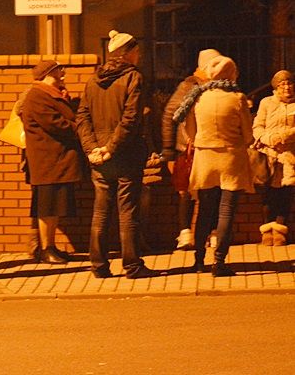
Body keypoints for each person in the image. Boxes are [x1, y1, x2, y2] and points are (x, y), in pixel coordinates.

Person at [76, 30, 158, 279]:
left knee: (100, 212)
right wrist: (110, 148)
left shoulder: (93, 80)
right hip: (125, 154)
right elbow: (131, 119)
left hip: (99, 158)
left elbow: (82, 117)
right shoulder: (133, 78)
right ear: (129, 53)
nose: (139, 55)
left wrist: (92, 149)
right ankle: (132, 265)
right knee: (128, 212)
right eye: (137, 51)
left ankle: (99, 266)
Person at [176, 55, 253, 276]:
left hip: (205, 158)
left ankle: (198, 260)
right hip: (231, 157)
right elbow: (247, 134)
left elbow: (189, 132)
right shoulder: (238, 98)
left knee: (205, 210)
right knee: (226, 211)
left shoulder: (198, 97)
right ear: (230, 73)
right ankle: (219, 262)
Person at [20, 60, 83, 264]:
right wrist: (80, 130)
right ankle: (46, 248)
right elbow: (56, 124)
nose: (63, 72)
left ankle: (51, 246)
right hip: (47, 161)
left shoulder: (51, 93)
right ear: (49, 73)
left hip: (55, 161)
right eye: (59, 69)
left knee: (53, 208)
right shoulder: (38, 96)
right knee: (46, 208)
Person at [161, 49, 222, 250]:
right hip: (187, 147)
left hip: (208, 145)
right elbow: (170, 114)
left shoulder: (218, 86)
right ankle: (185, 232)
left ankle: (211, 232)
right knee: (186, 191)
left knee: (211, 191)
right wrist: (169, 150)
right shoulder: (189, 86)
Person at [252, 69, 295, 246]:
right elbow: (257, 126)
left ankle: (280, 229)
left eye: (289, 83)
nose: (287, 87)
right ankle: (267, 230)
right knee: (268, 194)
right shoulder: (266, 103)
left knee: (285, 193)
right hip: (269, 155)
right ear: (275, 87)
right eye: (282, 84)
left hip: (289, 156)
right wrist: (268, 138)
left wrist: (285, 136)